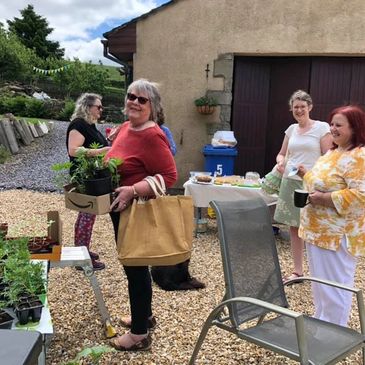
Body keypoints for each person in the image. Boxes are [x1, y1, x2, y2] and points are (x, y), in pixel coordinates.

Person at [106, 79, 177, 351]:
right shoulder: (126, 128)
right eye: (131, 96)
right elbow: (118, 157)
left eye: (142, 99)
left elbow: (170, 176)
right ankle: (143, 316)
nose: (134, 101)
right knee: (133, 266)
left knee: (134, 268)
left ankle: (139, 335)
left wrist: (133, 190)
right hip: (119, 209)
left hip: (135, 210)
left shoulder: (152, 135)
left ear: (153, 107)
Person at [297, 105, 365, 326]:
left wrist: (326, 199)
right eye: (332, 125)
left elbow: (361, 194)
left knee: (335, 288)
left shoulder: (358, 156)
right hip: (317, 233)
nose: (333, 129)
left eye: (339, 125)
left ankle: (336, 335)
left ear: (354, 128)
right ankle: (322, 328)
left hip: (337, 236)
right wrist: (305, 175)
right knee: (321, 287)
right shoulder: (332, 153)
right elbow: (321, 182)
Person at [274, 90, 332, 283]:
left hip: (311, 183)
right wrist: (281, 162)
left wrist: (311, 173)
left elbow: (328, 158)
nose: (299, 110)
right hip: (290, 183)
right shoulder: (291, 130)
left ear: (310, 107)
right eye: (295, 107)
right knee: (294, 227)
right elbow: (281, 154)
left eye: (302, 107)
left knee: (314, 226)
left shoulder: (321, 128)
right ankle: (297, 271)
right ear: (292, 109)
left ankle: (319, 272)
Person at [66, 93, 110, 270]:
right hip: (85, 177)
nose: (101, 110)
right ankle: (82, 259)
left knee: (86, 215)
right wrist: (103, 150)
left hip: (92, 176)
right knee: (87, 214)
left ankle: (82, 250)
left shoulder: (89, 125)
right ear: (87, 107)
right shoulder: (78, 124)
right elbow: (74, 151)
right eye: (98, 107)